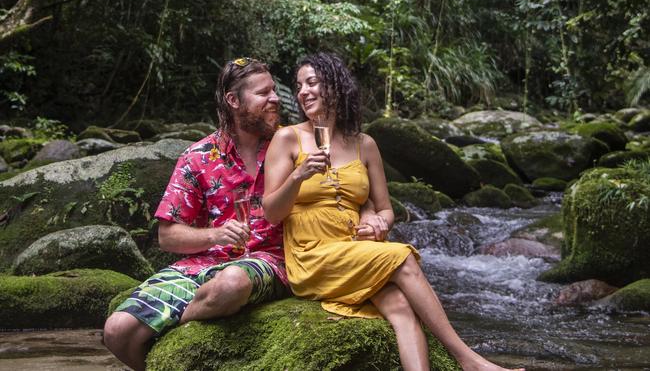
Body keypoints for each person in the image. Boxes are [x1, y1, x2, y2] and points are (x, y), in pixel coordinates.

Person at [263, 52, 525, 371]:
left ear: (335, 87)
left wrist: (376, 222)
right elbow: (272, 212)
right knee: (401, 257)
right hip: (313, 254)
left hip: (356, 249)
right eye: (299, 85)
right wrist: (298, 176)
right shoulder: (288, 138)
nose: (303, 91)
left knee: (401, 307)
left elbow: (387, 210)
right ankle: (467, 359)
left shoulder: (365, 144)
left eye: (312, 82)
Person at [103, 58, 289, 371]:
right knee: (117, 330)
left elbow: (349, 177)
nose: (276, 98)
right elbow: (167, 236)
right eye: (263, 93)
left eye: (274, 90)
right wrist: (215, 235)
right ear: (233, 100)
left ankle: (172, 340)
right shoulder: (199, 157)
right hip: (202, 265)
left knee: (229, 284)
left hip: (270, 260)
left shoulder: (293, 144)